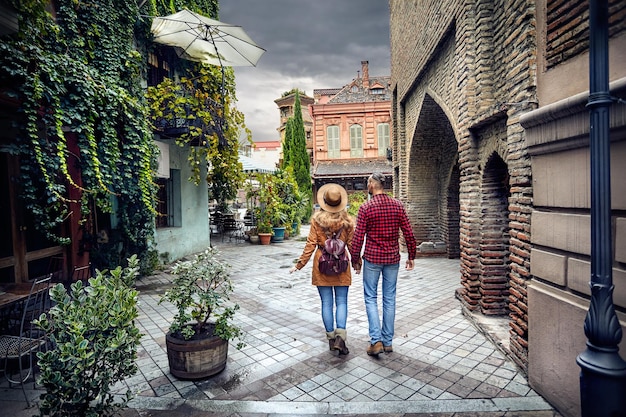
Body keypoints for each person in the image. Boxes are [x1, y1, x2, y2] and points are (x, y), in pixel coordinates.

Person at [351, 172, 417, 356]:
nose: (367, 186)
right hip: (392, 259)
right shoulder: (397, 206)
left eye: (368, 183)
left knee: (370, 297)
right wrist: (411, 255)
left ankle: (376, 340)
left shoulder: (366, 208)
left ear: (372, 184)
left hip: (372, 258)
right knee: (389, 298)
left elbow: (358, 237)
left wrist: (355, 259)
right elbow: (409, 233)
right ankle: (387, 342)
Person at [290, 183, 357, 355]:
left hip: (322, 265)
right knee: (342, 302)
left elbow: (310, 244)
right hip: (342, 265)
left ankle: (331, 340)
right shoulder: (347, 221)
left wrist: (299, 265)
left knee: (326, 303)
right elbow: (352, 245)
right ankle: (341, 338)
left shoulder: (316, 221)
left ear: (324, 202)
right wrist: (357, 262)